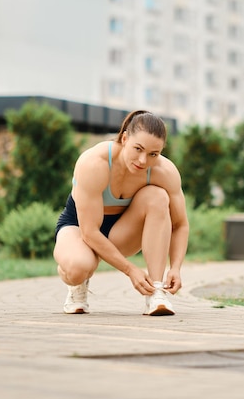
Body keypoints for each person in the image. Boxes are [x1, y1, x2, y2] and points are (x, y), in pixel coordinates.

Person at [53, 110, 189, 316]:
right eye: (138, 149)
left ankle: (156, 291)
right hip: (81, 227)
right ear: (125, 139)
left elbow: (180, 225)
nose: (143, 160)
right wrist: (130, 270)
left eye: (153, 154)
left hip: (122, 230)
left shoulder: (165, 172)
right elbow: (90, 232)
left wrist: (176, 267)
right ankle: (76, 285)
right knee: (78, 268)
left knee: (158, 197)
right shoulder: (94, 163)